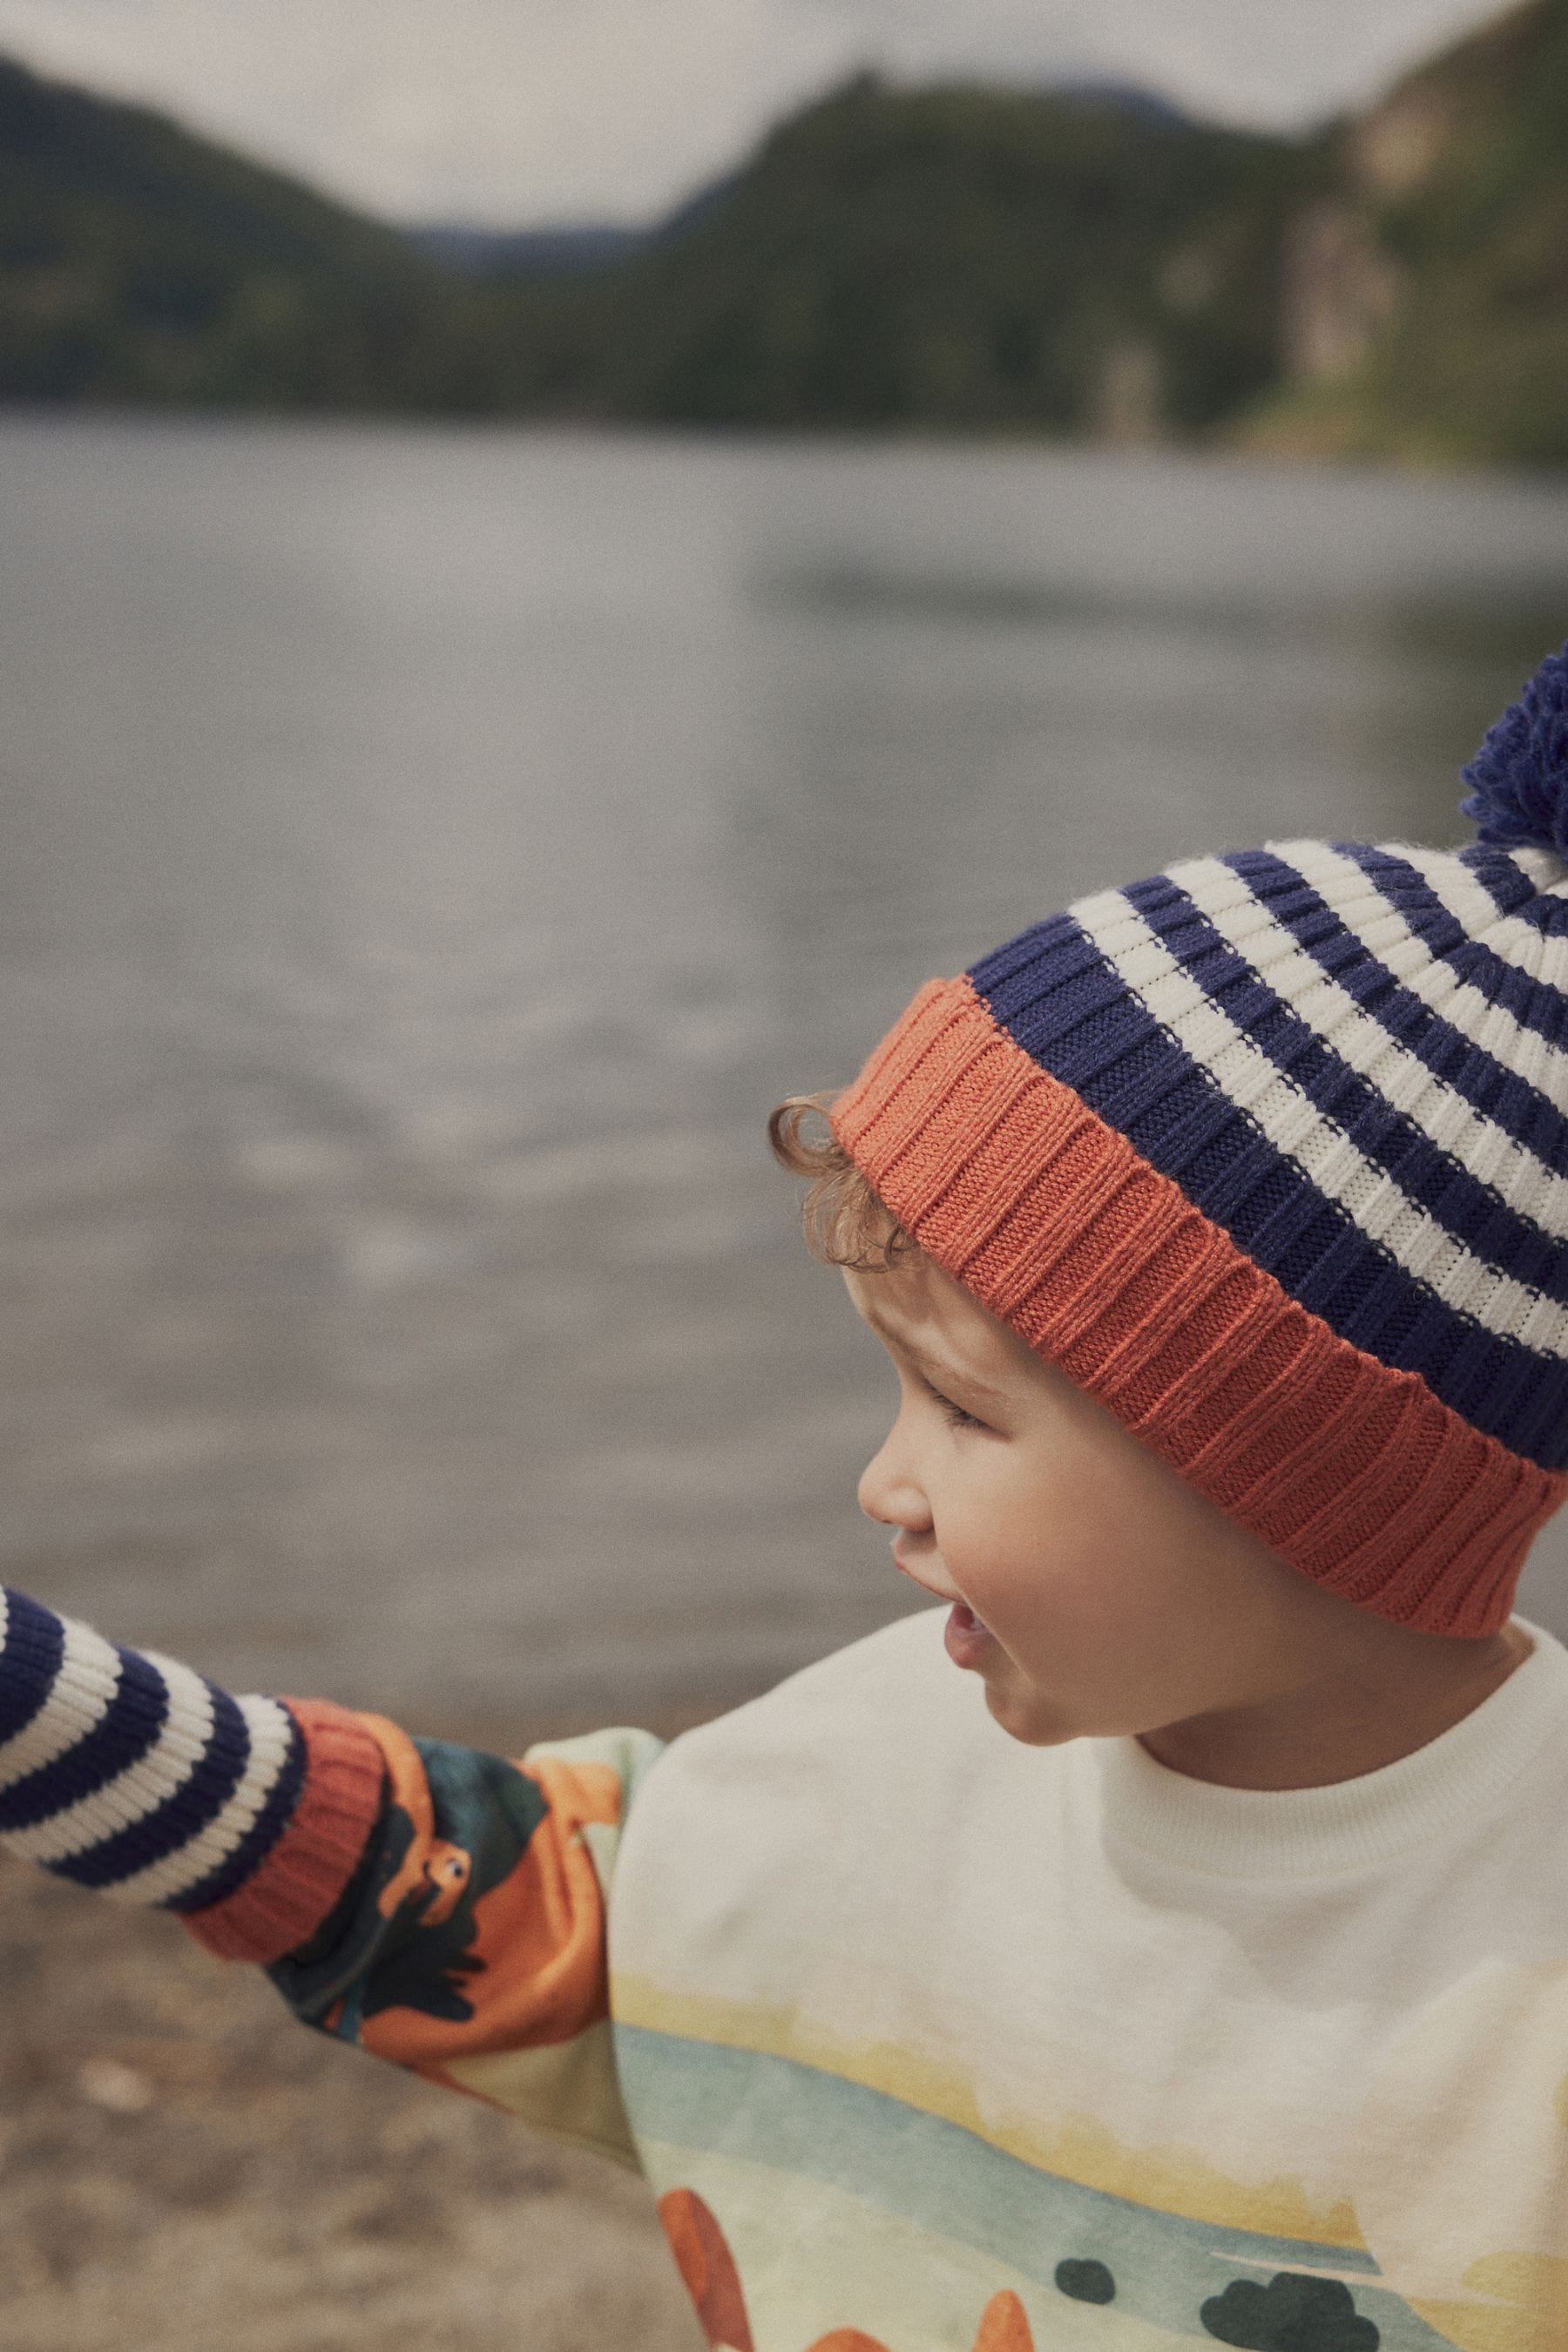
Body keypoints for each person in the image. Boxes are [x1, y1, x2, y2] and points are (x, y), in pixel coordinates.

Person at [6, 649, 1568, 2352]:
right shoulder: (887, 1766)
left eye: (966, 1408)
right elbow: (513, 1912)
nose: (880, 1486)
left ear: (1314, 1480)